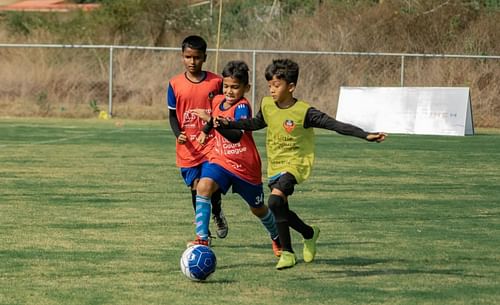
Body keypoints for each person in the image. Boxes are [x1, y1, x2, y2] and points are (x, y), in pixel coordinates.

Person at [216, 58, 386, 269]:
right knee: (281, 210)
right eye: (269, 85)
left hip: (296, 164)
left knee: (275, 202)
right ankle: (309, 233)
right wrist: (228, 123)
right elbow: (254, 123)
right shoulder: (267, 105)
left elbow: (334, 124)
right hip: (276, 165)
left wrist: (365, 135)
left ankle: (287, 253)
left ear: (291, 87)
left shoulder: (304, 112)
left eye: (276, 86)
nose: (272, 90)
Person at [190, 60, 281, 257]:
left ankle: (276, 237)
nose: (229, 91)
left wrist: (212, 122)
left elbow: (236, 135)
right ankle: (202, 239)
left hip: (244, 166)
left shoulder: (242, 106)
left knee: (257, 209)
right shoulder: (216, 101)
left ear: (246, 88)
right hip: (221, 160)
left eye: (235, 87)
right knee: (203, 186)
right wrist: (206, 131)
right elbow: (215, 117)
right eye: (226, 86)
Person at [166, 35, 228, 243]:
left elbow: (222, 110)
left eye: (197, 57)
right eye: (188, 57)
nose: (192, 62)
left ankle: (216, 214)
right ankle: (205, 230)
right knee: (195, 187)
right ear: (182, 57)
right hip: (188, 147)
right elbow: (172, 115)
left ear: (205, 58)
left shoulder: (216, 82)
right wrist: (178, 134)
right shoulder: (174, 84)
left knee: (209, 185)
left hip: (211, 144)